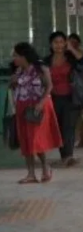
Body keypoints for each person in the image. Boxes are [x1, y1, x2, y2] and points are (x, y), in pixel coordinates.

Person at [9, 43, 62, 184]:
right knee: (26, 140)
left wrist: (41, 103)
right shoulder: (18, 71)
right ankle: (31, 173)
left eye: (16, 55)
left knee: (35, 139)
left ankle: (45, 166)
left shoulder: (40, 68)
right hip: (22, 106)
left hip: (38, 106)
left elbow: (49, 86)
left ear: (23, 56)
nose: (14, 58)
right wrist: (13, 81)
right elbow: (14, 88)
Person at [43, 31, 83, 168]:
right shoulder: (46, 61)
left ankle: (68, 156)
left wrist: (71, 48)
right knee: (58, 127)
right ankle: (64, 155)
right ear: (51, 44)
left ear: (65, 43)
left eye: (61, 42)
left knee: (69, 127)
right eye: (55, 42)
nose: (58, 45)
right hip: (53, 98)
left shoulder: (71, 58)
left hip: (71, 97)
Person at [68, 34, 83, 148]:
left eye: (74, 42)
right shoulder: (66, 55)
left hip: (80, 89)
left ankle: (80, 138)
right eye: (70, 42)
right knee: (75, 116)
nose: (72, 44)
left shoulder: (82, 55)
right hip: (69, 89)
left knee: (78, 115)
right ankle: (80, 138)